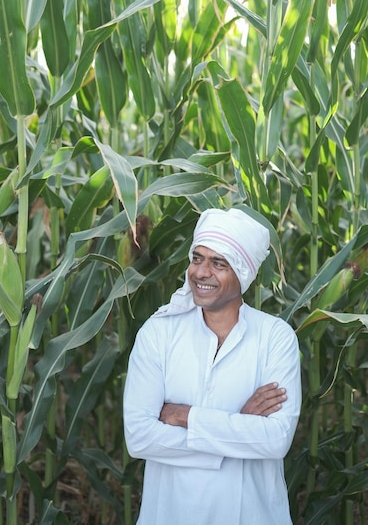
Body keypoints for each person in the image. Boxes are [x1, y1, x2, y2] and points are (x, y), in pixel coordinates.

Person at [123, 207, 301, 525]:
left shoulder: (275, 337)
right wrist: (239, 424)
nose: (201, 272)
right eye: (197, 258)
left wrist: (187, 417)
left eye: (218, 263)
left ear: (243, 273)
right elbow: (140, 438)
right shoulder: (158, 332)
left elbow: (275, 440)